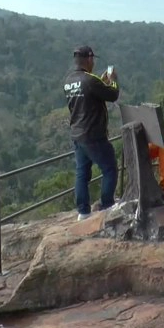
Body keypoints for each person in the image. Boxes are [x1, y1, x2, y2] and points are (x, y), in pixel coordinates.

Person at [63, 46, 120, 221]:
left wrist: (99, 82)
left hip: (77, 134)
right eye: (92, 59)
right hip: (94, 135)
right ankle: (107, 205)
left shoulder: (68, 81)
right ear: (89, 60)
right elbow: (113, 95)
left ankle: (83, 212)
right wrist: (113, 80)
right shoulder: (90, 80)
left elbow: (86, 97)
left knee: (82, 173)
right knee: (110, 168)